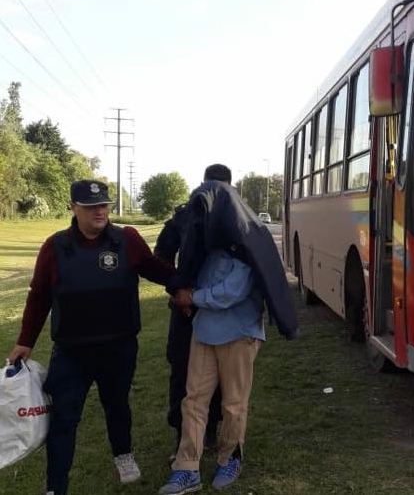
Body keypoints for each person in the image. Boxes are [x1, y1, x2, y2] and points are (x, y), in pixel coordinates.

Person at [7, 179, 178, 495]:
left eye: (104, 205)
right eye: (90, 206)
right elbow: (39, 296)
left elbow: (157, 270)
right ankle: (56, 487)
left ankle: (123, 454)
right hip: (72, 353)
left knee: (117, 406)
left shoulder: (127, 240)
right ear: (74, 208)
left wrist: (185, 286)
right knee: (64, 420)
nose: (100, 211)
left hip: (119, 347)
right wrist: (25, 341)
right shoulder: (55, 247)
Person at [158, 179, 297, 494]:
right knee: (193, 401)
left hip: (238, 333)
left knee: (234, 403)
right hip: (205, 332)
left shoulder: (248, 240)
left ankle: (229, 457)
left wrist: (191, 298)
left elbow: (231, 292)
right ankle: (186, 467)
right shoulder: (205, 240)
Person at [154, 164, 230, 456]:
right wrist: (177, 290)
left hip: (220, 308)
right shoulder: (183, 216)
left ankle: (210, 428)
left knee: (220, 373)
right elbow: (161, 256)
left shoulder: (235, 218)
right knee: (182, 371)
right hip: (185, 310)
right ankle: (182, 435)